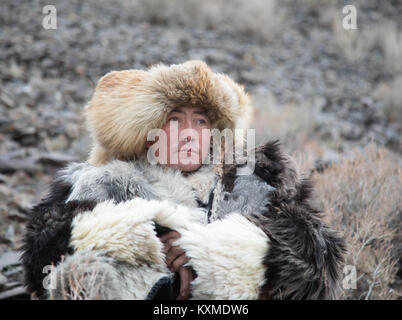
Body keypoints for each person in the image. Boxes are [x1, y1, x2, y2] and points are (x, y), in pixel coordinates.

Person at [21, 60, 346, 300]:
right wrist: (148, 239)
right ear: (149, 133)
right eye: (174, 120)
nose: (189, 134)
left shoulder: (256, 180)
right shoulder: (108, 182)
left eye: (200, 121)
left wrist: (206, 255)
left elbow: (318, 265)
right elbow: (47, 259)